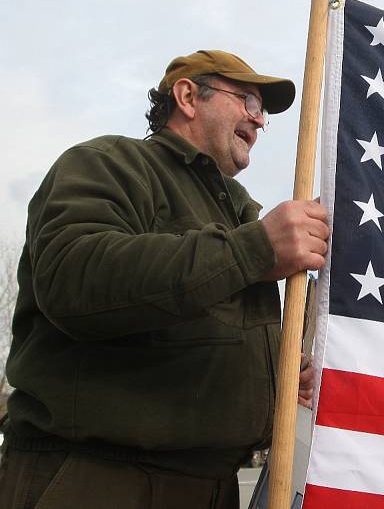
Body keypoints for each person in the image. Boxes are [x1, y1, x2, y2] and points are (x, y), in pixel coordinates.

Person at [0, 50, 329, 509]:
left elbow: (200, 336)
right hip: (100, 480)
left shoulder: (238, 209)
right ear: (188, 96)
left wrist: (277, 379)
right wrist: (256, 249)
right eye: (249, 103)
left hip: (213, 486)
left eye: (263, 113)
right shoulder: (108, 163)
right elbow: (74, 279)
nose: (259, 122)